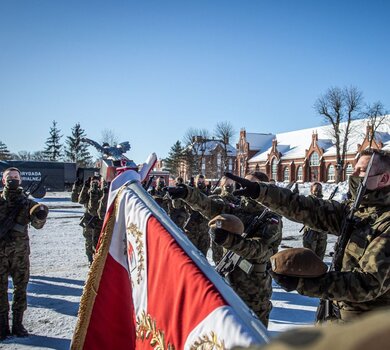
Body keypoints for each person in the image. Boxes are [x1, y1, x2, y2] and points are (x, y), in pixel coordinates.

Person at [225, 149, 390, 322]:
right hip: (336, 316)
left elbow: (368, 283)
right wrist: (262, 192)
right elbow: (308, 208)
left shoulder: (385, 222)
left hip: (368, 329)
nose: (353, 175)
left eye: (361, 171)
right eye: (354, 169)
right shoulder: (356, 210)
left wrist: (305, 282)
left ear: (384, 178)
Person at [167, 171, 282, 327]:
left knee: (252, 335)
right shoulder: (237, 208)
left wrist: (229, 240)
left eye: (250, 184)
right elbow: (208, 205)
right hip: (229, 278)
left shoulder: (271, 219)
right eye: (243, 183)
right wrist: (187, 193)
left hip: (253, 288)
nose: (244, 187)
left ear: (262, 188)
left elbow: (259, 250)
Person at [0, 167, 48, 339]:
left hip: (20, 254)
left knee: (20, 290)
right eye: (9, 177)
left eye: (15, 177)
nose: (12, 179)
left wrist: (41, 214)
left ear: (20, 180)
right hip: (0, 255)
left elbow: (38, 224)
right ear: (3, 180)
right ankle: (2, 325)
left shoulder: (27, 202)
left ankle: (18, 324)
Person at [301, 182, 328, 260]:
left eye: (319, 189)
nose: (318, 191)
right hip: (311, 232)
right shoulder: (307, 201)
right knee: (310, 257)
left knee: (320, 258)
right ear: (311, 190)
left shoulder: (324, 203)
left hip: (322, 233)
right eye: (316, 189)